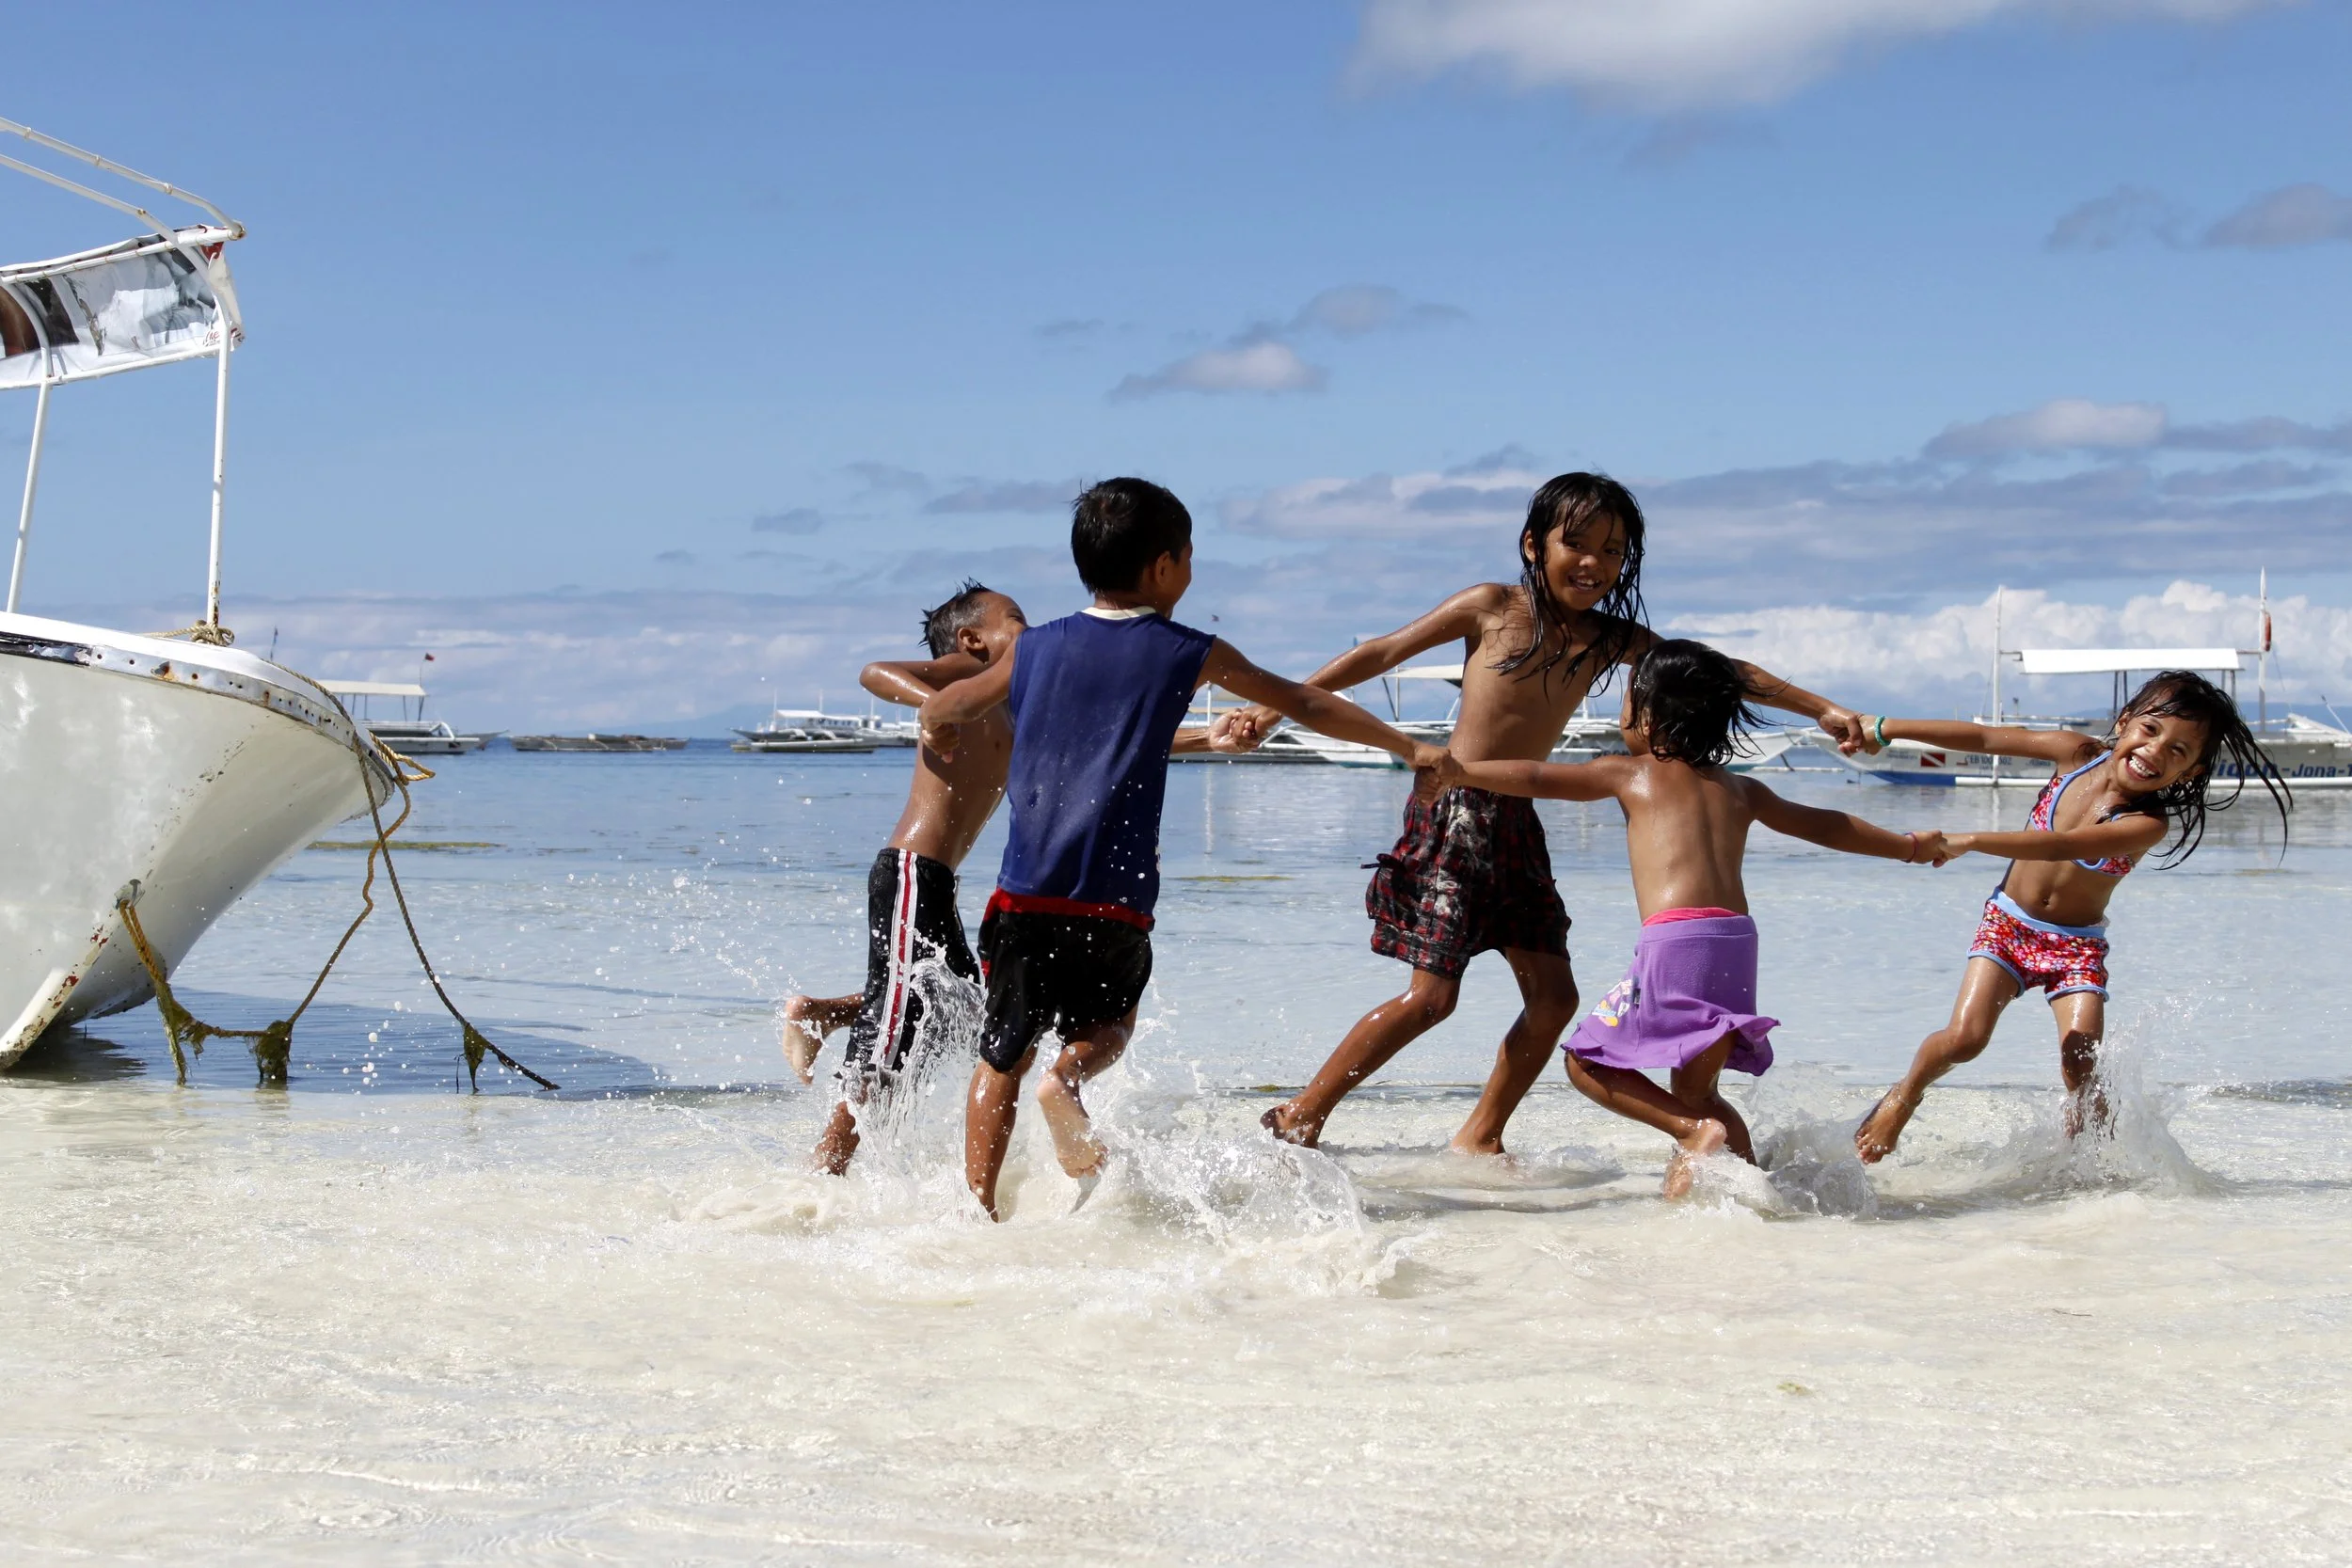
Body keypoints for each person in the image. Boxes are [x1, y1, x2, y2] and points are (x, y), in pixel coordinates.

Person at [1230, 473, 1867, 1155]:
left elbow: (1716, 671)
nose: (1594, 563)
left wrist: (1821, 707)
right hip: (1456, 812)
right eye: (1578, 544)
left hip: (1519, 824)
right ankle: (1303, 1111)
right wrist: (1273, 707)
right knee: (1432, 999)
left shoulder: (1608, 639)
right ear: (1534, 545)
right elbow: (1379, 653)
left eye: (1613, 551)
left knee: (1554, 1000)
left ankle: (1481, 1134)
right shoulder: (1490, 608)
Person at [921, 478, 1458, 1219]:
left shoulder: (1035, 647)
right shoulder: (1185, 649)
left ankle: (975, 1210)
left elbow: (947, 704)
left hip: (1023, 895)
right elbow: (1304, 702)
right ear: (1165, 567)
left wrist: (935, 729)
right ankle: (1068, 1078)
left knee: (998, 1055)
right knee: (1108, 1027)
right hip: (1116, 902)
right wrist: (1407, 746)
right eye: (1192, 556)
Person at [1430, 640, 1946, 1196]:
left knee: (1587, 1062)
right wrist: (1908, 846)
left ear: (1648, 716)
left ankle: (1691, 1133)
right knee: (1699, 1089)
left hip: (1675, 945)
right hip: (1735, 943)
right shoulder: (1743, 789)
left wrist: (1461, 770)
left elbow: (1534, 777)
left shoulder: (1628, 774)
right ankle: (1750, 1192)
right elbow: (1827, 825)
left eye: (1627, 703)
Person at [781, 581, 1241, 1176]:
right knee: (896, 1032)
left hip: (936, 882)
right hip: (908, 874)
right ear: (973, 639)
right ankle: (826, 1168)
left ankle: (823, 1014)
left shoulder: (1016, 701)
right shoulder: (960, 675)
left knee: (961, 1013)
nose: (1029, 627)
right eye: (1015, 618)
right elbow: (874, 672)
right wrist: (935, 709)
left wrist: (1209, 736)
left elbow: (1102, 745)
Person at [1851, 672, 2288, 1164]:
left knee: (2082, 1063)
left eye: (2178, 751)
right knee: (1966, 1039)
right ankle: (1904, 1095)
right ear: (2124, 723)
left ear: (2189, 772)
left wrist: (1969, 840)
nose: (2154, 752)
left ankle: (2086, 1164)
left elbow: (2064, 844)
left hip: (2075, 947)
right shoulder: (2075, 756)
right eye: (2149, 731)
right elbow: (1984, 737)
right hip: (2009, 924)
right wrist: (1887, 727)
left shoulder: (2146, 824)